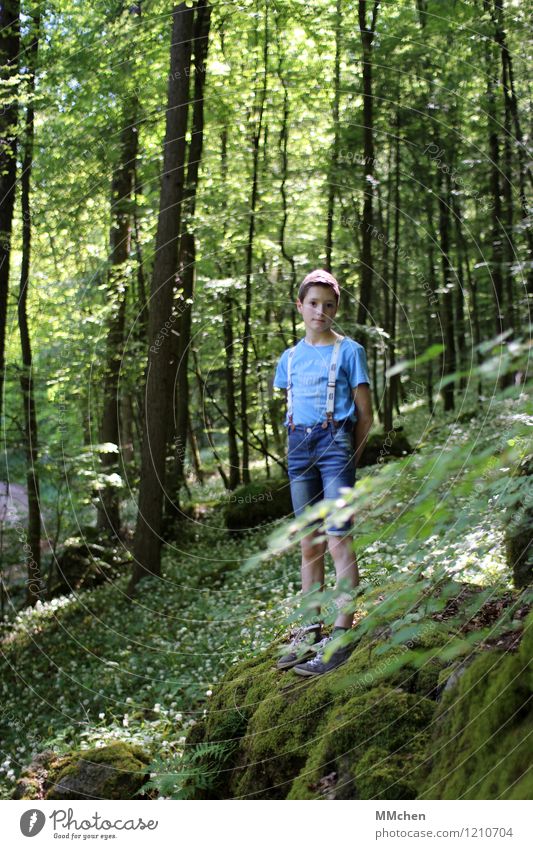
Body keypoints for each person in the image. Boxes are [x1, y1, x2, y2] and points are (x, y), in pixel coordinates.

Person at [273, 269, 373, 676]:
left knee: (337, 539)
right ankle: (309, 628)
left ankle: (341, 634)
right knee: (309, 543)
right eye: (313, 303)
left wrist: (352, 457)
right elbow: (292, 403)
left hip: (337, 447)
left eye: (328, 305)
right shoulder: (289, 357)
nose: (320, 311)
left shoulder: (349, 351)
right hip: (299, 447)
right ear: (300, 307)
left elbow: (365, 414)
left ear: (336, 309)